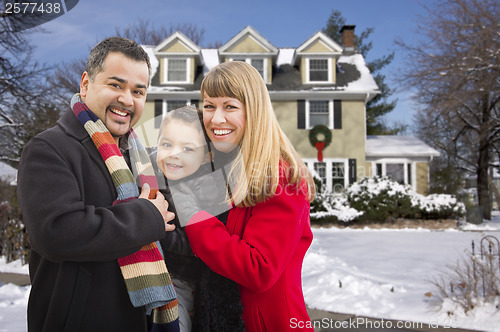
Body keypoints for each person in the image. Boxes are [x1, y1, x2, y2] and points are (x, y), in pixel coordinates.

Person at [17, 37, 179, 332]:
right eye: (116, 85)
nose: (127, 100)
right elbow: (56, 232)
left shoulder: (139, 157)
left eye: (138, 91)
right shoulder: (48, 149)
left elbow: (165, 224)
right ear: (86, 84)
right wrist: (147, 216)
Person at [175, 60, 317, 331]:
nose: (216, 119)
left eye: (230, 106)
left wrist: (191, 213)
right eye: (208, 106)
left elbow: (259, 269)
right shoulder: (224, 166)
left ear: (254, 111)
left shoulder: (281, 175)